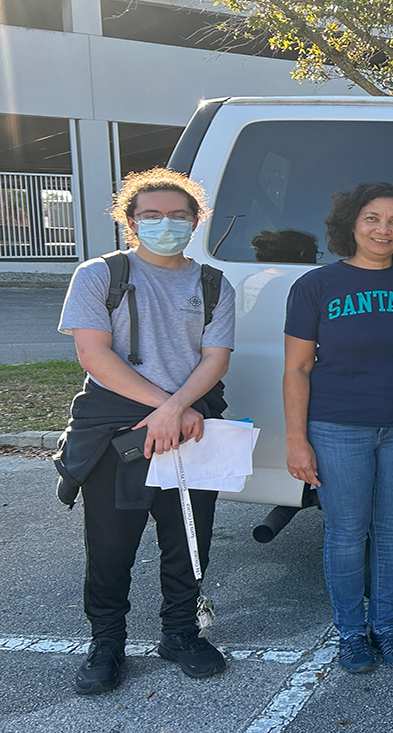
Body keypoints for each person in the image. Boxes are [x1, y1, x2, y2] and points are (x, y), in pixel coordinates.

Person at [55, 168, 235, 694]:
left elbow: (215, 358)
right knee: (111, 547)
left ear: (196, 221)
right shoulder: (98, 275)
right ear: (130, 222)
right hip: (116, 427)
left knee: (188, 540)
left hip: (193, 425)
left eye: (179, 215)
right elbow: (93, 353)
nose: (166, 224)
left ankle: (180, 635)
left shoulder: (212, 282)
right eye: (151, 215)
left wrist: (177, 410)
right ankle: (106, 642)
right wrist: (166, 408)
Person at [282, 182, 393, 673]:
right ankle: (351, 632)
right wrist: (296, 439)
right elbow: (297, 368)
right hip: (337, 426)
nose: (383, 229)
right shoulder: (315, 286)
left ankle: (386, 627)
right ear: (351, 223)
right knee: (346, 532)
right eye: (372, 218)